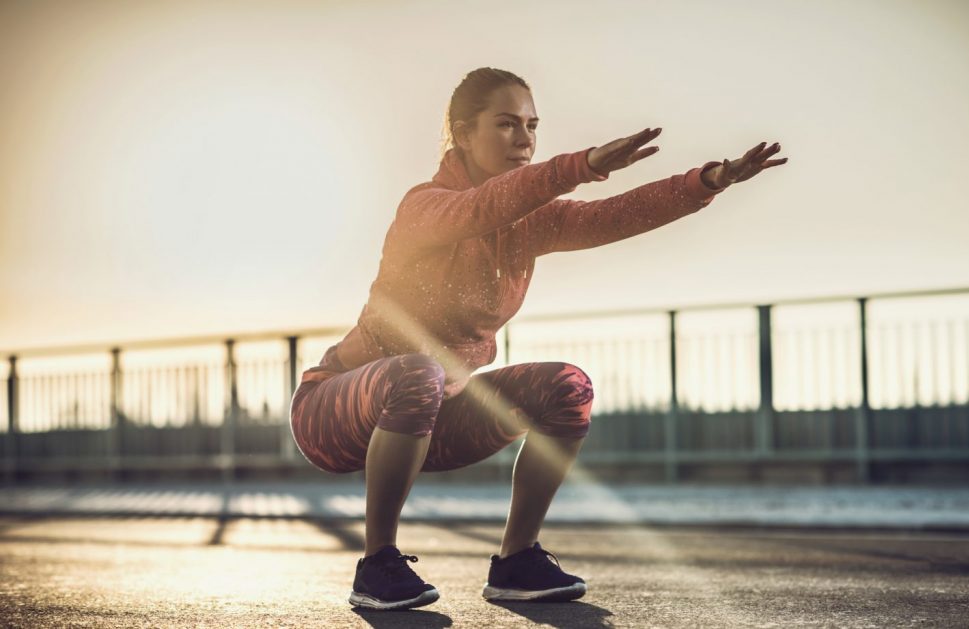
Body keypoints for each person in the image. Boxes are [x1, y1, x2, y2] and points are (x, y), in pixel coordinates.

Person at [290, 67, 787, 611]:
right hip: (332, 412)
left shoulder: (529, 225)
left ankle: (516, 560)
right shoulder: (424, 208)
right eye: (506, 124)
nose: (524, 138)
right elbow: (485, 207)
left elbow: (612, 216)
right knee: (418, 370)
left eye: (532, 125)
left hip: (432, 417)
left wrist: (706, 181)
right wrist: (581, 166)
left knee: (567, 386)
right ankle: (376, 563)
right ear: (461, 133)